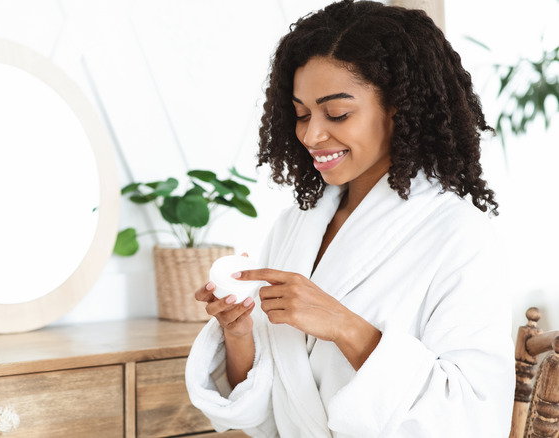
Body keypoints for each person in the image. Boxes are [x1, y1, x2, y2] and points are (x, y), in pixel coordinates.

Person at [184, 1, 515, 437]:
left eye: (336, 113)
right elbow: (265, 408)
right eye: (301, 114)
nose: (311, 134)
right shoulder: (295, 227)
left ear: (399, 108)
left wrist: (343, 325)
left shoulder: (459, 235)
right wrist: (239, 333)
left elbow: (473, 419)